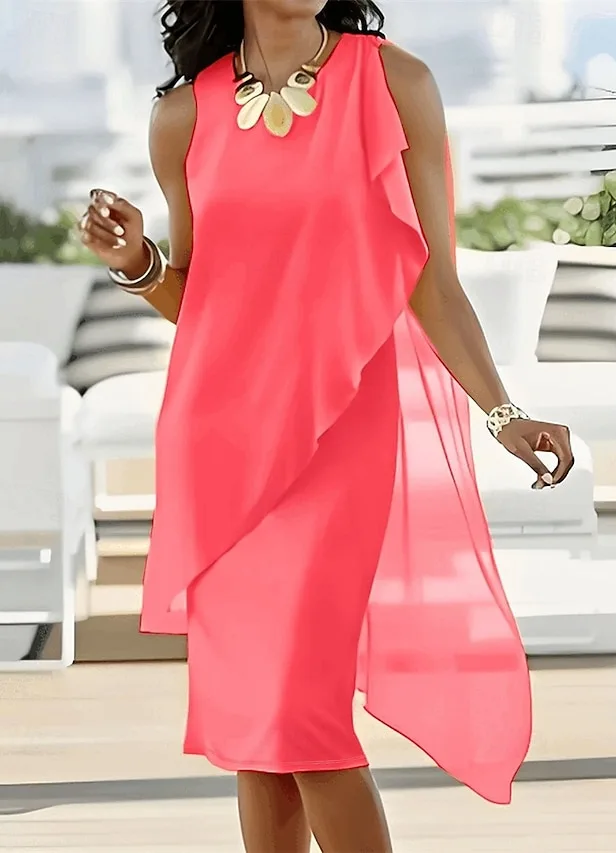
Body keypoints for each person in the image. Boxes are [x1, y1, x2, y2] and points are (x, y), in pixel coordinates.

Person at [78, 1, 574, 850]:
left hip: (341, 438)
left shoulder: (395, 83)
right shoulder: (183, 115)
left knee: (302, 714)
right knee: (258, 730)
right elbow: (202, 299)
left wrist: (503, 410)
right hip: (219, 443)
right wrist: (137, 262)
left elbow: (432, 280)